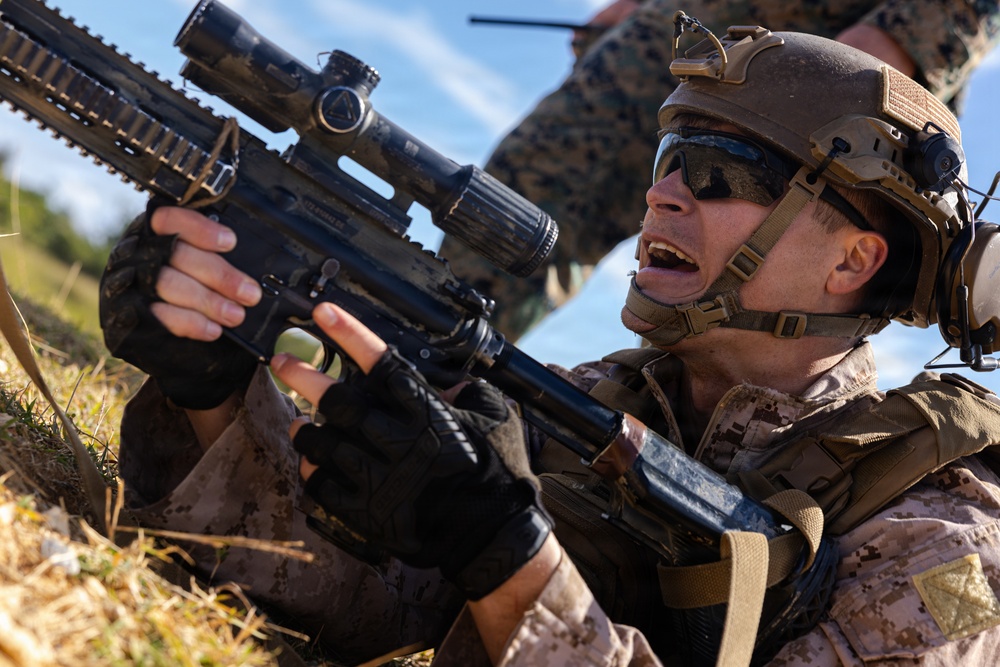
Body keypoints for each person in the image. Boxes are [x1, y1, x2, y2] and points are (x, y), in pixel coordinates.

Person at [99, 15, 1000, 667]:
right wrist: (211, 392)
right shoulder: (585, 404)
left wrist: (510, 561)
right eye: (668, 160)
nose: (663, 195)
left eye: (726, 172)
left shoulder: (939, 530)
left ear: (853, 260)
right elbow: (357, 607)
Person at [444, 0, 1000, 341]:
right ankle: (423, 360)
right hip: (687, 39)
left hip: (823, 69)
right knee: (519, 194)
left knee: (734, 298)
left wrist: (906, 39)